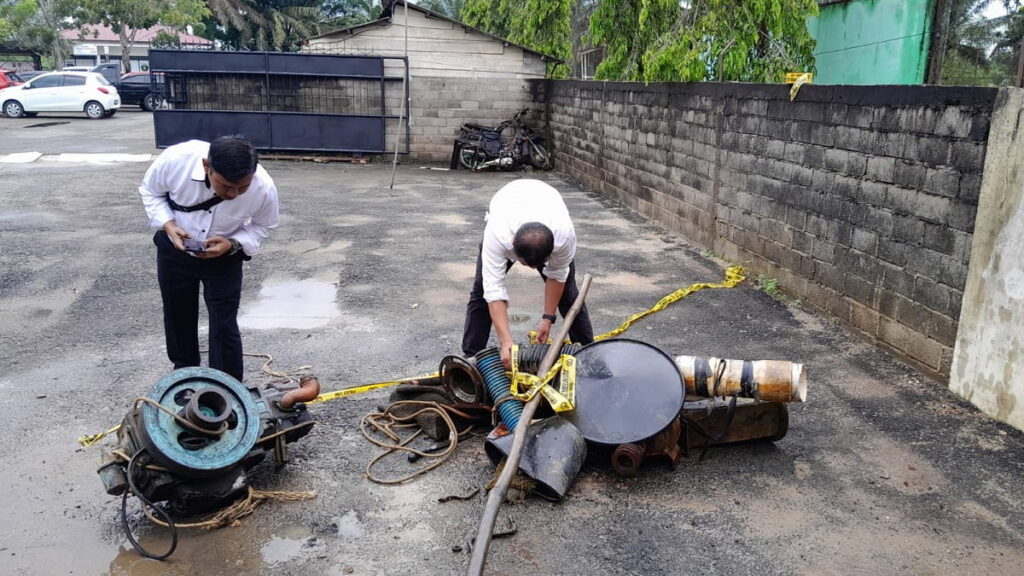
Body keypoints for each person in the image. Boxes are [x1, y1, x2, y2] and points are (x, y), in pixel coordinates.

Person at [139, 136, 279, 382]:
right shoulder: (176, 160)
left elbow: (264, 226)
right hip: (175, 250)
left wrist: (234, 243)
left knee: (224, 324)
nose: (234, 194)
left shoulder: (263, 188)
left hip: (224, 256)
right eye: (226, 186)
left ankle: (227, 385)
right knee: (177, 314)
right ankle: (184, 376)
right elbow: (150, 191)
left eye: (242, 188)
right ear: (207, 166)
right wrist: (168, 224)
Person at [462, 179, 594, 369]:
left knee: (569, 296)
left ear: (551, 251)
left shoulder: (563, 237)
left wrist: (548, 319)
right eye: (526, 264)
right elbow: (493, 290)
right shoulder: (498, 234)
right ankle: (471, 357)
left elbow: (557, 276)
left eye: (538, 265)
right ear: (513, 246)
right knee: (481, 291)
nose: (532, 269)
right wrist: (506, 341)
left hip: (547, 200)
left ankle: (590, 353)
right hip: (508, 199)